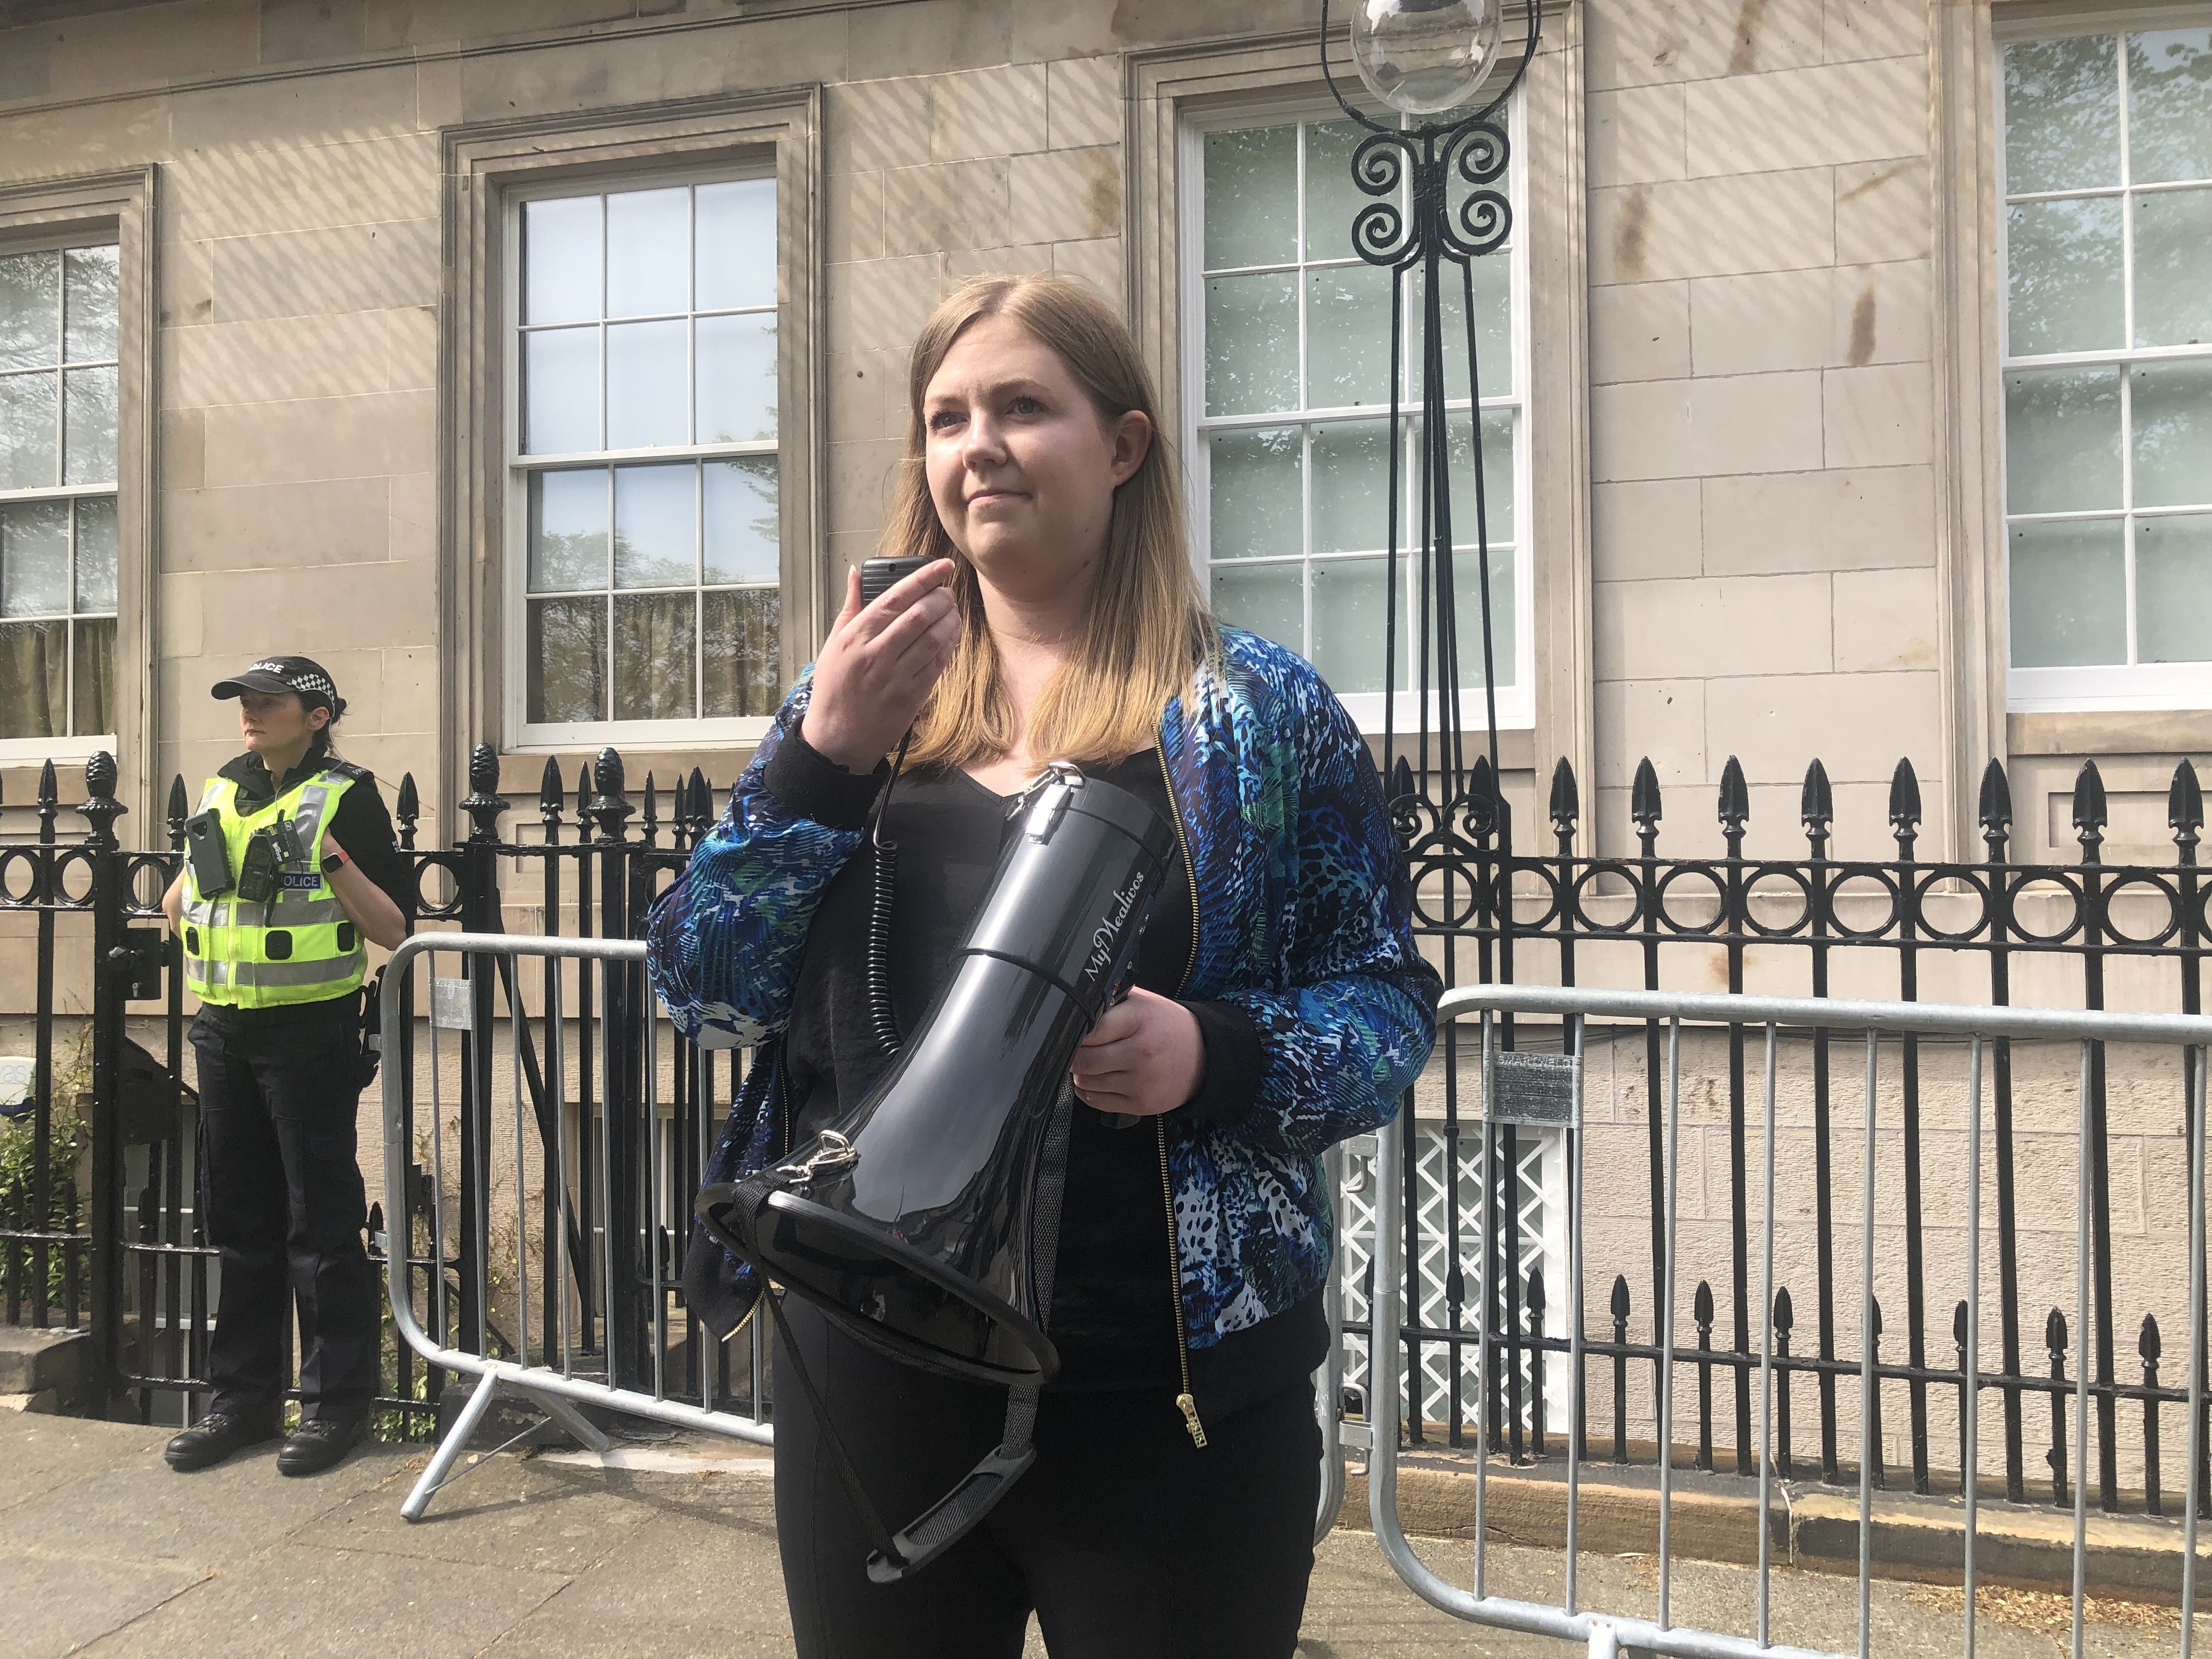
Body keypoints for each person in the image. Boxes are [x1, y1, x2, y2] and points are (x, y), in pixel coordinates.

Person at [648, 274, 1438, 1659]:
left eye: (1024, 407)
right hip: (873, 1364)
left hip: (1164, 1387)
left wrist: (1216, 1056)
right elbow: (705, 987)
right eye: (946, 417)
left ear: (1122, 445)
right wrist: (820, 761)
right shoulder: (852, 706)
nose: (977, 446)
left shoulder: (1256, 711)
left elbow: (1384, 1009)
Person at [157, 656, 412, 1476]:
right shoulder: (221, 789)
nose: (251, 712)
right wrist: (189, 879)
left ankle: (334, 1407)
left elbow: (397, 929)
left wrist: (329, 857)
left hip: (310, 1036)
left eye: (269, 701)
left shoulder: (349, 793)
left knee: (321, 1228)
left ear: (318, 714)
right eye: (244, 700)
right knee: (239, 1226)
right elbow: (176, 908)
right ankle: (241, 1402)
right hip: (224, 1032)